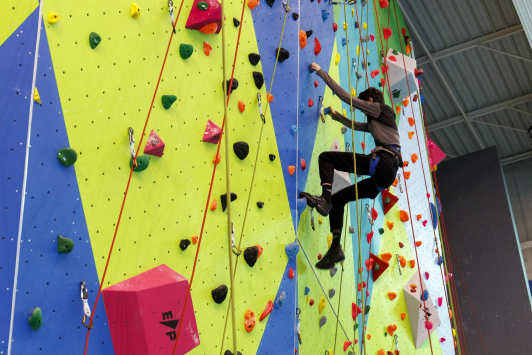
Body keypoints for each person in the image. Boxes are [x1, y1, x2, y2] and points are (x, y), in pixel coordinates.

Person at [300, 62, 403, 270]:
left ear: (371, 101)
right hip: (385, 177)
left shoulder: (378, 109)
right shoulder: (381, 121)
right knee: (340, 200)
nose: (365, 111)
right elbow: (355, 126)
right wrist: (334, 115)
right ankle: (336, 248)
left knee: (326, 158)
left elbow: (346, 98)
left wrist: (321, 72)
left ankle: (324, 198)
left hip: (382, 163)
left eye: (366, 106)